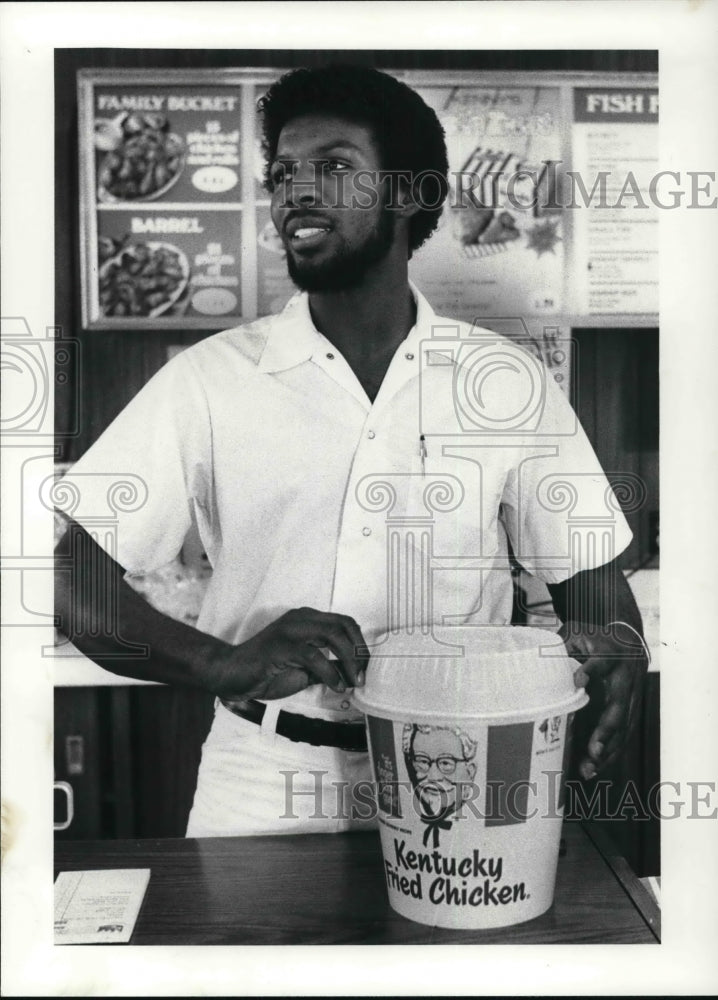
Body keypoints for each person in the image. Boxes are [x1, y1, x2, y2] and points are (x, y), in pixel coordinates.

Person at [55, 64, 649, 837]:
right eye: (284, 174)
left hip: (460, 768)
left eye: (333, 167)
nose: (296, 191)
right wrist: (222, 663)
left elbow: (593, 585)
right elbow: (74, 576)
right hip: (262, 782)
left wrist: (620, 645)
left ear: (406, 195)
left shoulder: (503, 382)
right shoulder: (209, 380)